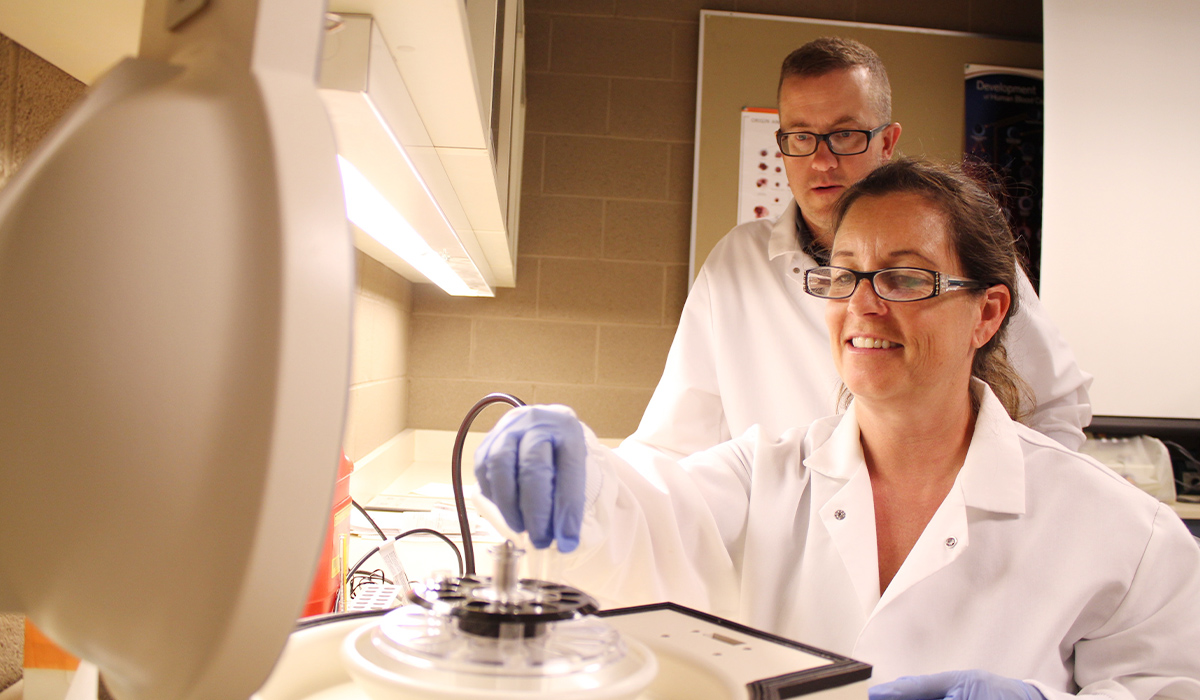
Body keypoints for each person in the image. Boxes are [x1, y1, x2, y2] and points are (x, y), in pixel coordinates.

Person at [473, 159, 1200, 700]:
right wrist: (578, 475)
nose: (863, 305)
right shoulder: (762, 477)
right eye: (844, 274)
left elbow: (1170, 686)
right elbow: (642, 520)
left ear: (986, 313)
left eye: (906, 278)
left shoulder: (1122, 531)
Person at [622, 37, 1092, 463]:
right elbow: (672, 442)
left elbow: (1052, 408)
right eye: (801, 137)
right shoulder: (735, 265)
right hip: (787, 527)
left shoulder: (958, 249)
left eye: (844, 134)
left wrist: (993, 510)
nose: (821, 161)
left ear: (887, 142)